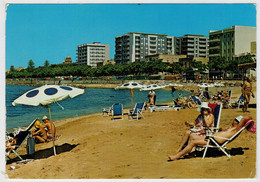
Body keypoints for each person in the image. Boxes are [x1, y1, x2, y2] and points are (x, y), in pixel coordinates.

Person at [168, 115, 255, 161]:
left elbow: (246, 117)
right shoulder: (232, 128)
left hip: (214, 141)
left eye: (235, 119)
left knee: (192, 142)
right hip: (212, 139)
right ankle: (191, 153)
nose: (233, 120)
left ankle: (176, 157)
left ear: (237, 122)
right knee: (192, 136)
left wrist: (250, 121)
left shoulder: (236, 129)